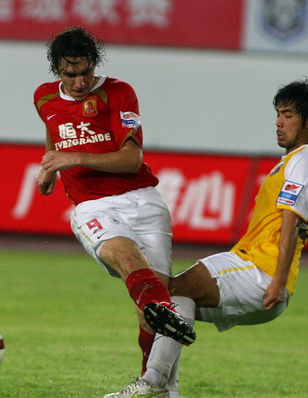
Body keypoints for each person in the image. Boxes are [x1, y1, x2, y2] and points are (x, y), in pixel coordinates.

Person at [102, 78, 308, 398]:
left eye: (288, 115)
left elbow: (290, 226)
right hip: (256, 268)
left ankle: (152, 383)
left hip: (260, 271)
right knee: (173, 302)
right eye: (278, 114)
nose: (279, 122)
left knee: (168, 294)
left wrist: (278, 281)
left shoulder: (306, 159)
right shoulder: (295, 160)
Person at [33, 27, 196, 371]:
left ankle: (156, 389)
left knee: (148, 307)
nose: (80, 82)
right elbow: (55, 126)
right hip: (94, 206)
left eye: (86, 72)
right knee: (126, 259)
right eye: (70, 74)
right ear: (56, 69)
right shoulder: (43, 97)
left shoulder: (119, 92)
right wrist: (50, 165)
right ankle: (167, 315)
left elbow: (132, 160)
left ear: (95, 64)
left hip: (144, 200)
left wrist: (72, 157)